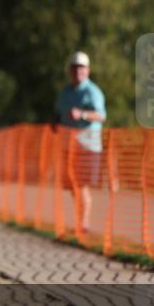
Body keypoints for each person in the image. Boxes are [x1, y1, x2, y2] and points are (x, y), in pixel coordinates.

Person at [53, 51, 106, 234]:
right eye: (75, 67)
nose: (78, 71)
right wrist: (55, 121)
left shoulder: (92, 92)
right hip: (69, 145)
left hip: (88, 146)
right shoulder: (66, 92)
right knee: (71, 185)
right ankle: (80, 220)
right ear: (70, 70)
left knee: (81, 184)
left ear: (88, 70)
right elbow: (59, 112)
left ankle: (84, 223)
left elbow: (101, 116)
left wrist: (82, 114)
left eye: (82, 67)